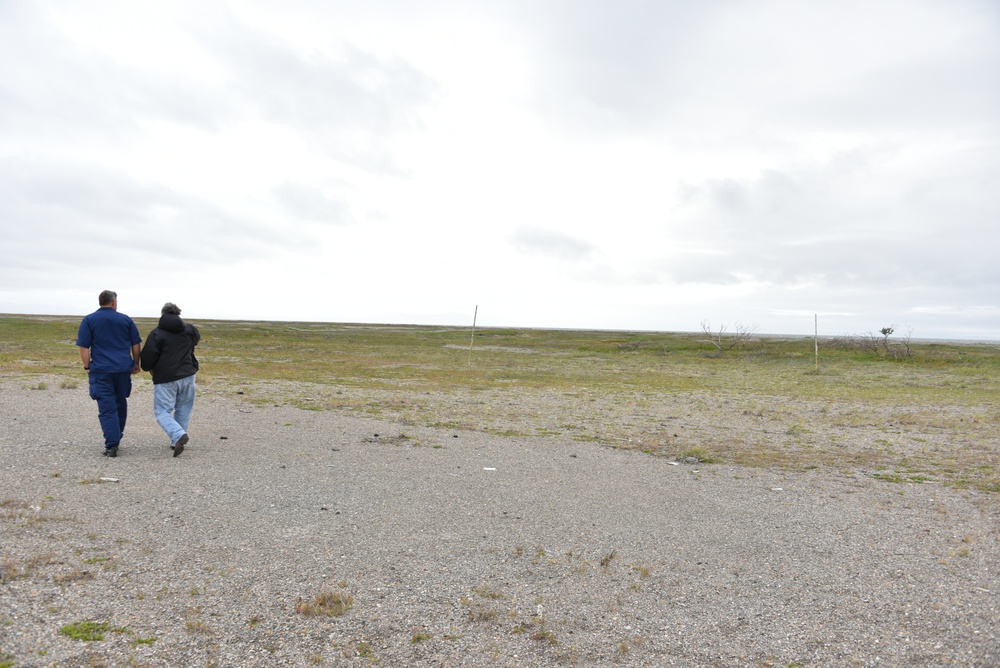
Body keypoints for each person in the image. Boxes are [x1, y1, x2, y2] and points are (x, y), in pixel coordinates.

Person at [76, 290, 142, 457]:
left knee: (107, 407)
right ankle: (116, 436)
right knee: (120, 402)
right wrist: (136, 363)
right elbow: (136, 344)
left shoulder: (89, 320)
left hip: (101, 370)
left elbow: (84, 347)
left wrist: (87, 366)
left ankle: (112, 444)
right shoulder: (126, 319)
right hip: (122, 369)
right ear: (114, 303)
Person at [140, 302, 200, 457]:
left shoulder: (156, 334)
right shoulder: (190, 330)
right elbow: (195, 340)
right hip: (188, 375)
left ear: (163, 314)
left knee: (162, 411)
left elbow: (147, 358)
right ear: (178, 313)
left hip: (165, 378)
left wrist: (149, 368)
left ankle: (178, 434)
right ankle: (176, 441)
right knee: (183, 408)